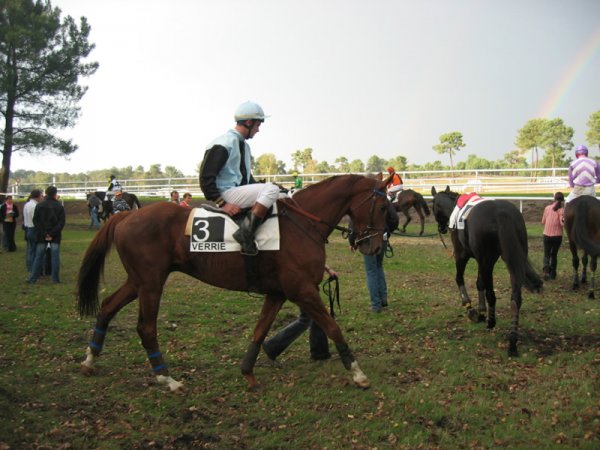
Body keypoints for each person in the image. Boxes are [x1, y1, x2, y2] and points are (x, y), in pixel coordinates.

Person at [200, 101, 280, 256]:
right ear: (249, 122)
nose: (258, 130)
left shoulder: (244, 146)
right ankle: (245, 234)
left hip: (236, 191)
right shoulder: (224, 142)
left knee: (280, 193)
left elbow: (247, 180)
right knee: (271, 189)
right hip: (226, 194)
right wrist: (222, 203)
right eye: (258, 125)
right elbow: (205, 178)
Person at [262, 265, 338, 363]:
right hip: (302, 281)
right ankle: (272, 346)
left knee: (316, 315)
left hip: (304, 279)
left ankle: (320, 353)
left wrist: (327, 269)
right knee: (307, 318)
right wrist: (327, 269)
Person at [349, 199, 399, 312]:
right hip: (382, 237)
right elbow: (394, 219)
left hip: (368, 239)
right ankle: (383, 299)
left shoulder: (363, 200)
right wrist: (386, 232)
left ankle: (376, 305)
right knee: (379, 267)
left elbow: (354, 222)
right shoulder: (384, 200)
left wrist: (352, 241)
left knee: (371, 270)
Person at [28, 186, 65, 284]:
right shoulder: (59, 206)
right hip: (55, 235)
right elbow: (61, 223)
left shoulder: (40, 205)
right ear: (55, 194)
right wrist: (52, 233)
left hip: (42, 235)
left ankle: (33, 278)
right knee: (55, 257)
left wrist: (44, 233)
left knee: (38, 256)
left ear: (46, 193)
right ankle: (55, 279)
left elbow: (36, 220)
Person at [541, 192, 565, 281]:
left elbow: (543, 221)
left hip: (547, 234)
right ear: (562, 200)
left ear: (554, 199)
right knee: (554, 255)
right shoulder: (561, 210)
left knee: (546, 254)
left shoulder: (547, 208)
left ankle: (546, 269)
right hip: (557, 236)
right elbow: (562, 224)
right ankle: (553, 274)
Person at [22, 189, 43, 271]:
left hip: (28, 228)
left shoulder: (27, 204)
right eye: (41, 196)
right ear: (37, 196)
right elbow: (36, 219)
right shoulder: (34, 206)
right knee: (35, 251)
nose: (42, 197)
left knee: (30, 250)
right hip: (34, 229)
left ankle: (30, 267)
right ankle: (34, 268)